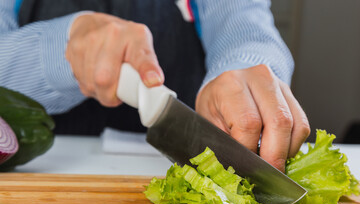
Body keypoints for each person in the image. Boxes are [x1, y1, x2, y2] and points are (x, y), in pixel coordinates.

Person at [0, 0, 310, 172]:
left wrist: (244, 65)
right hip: (49, 173)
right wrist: (61, 48)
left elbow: (244, 23)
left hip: (163, 172)